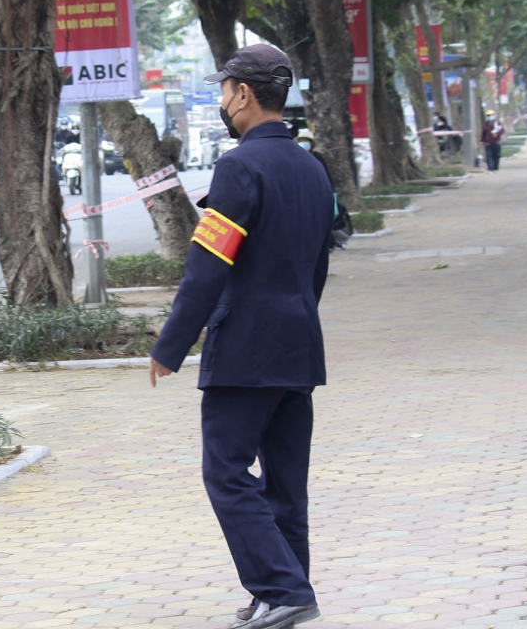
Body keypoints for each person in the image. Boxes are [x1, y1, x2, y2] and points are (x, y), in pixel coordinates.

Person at [149, 45, 332, 629]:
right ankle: (284, 591)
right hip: (298, 342)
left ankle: (282, 591)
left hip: (247, 350)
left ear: (244, 95)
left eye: (224, 91)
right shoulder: (311, 167)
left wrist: (171, 345)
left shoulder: (238, 167)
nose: (223, 102)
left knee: (226, 471)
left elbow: (208, 266)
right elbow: (318, 263)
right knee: (284, 482)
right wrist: (297, 314)